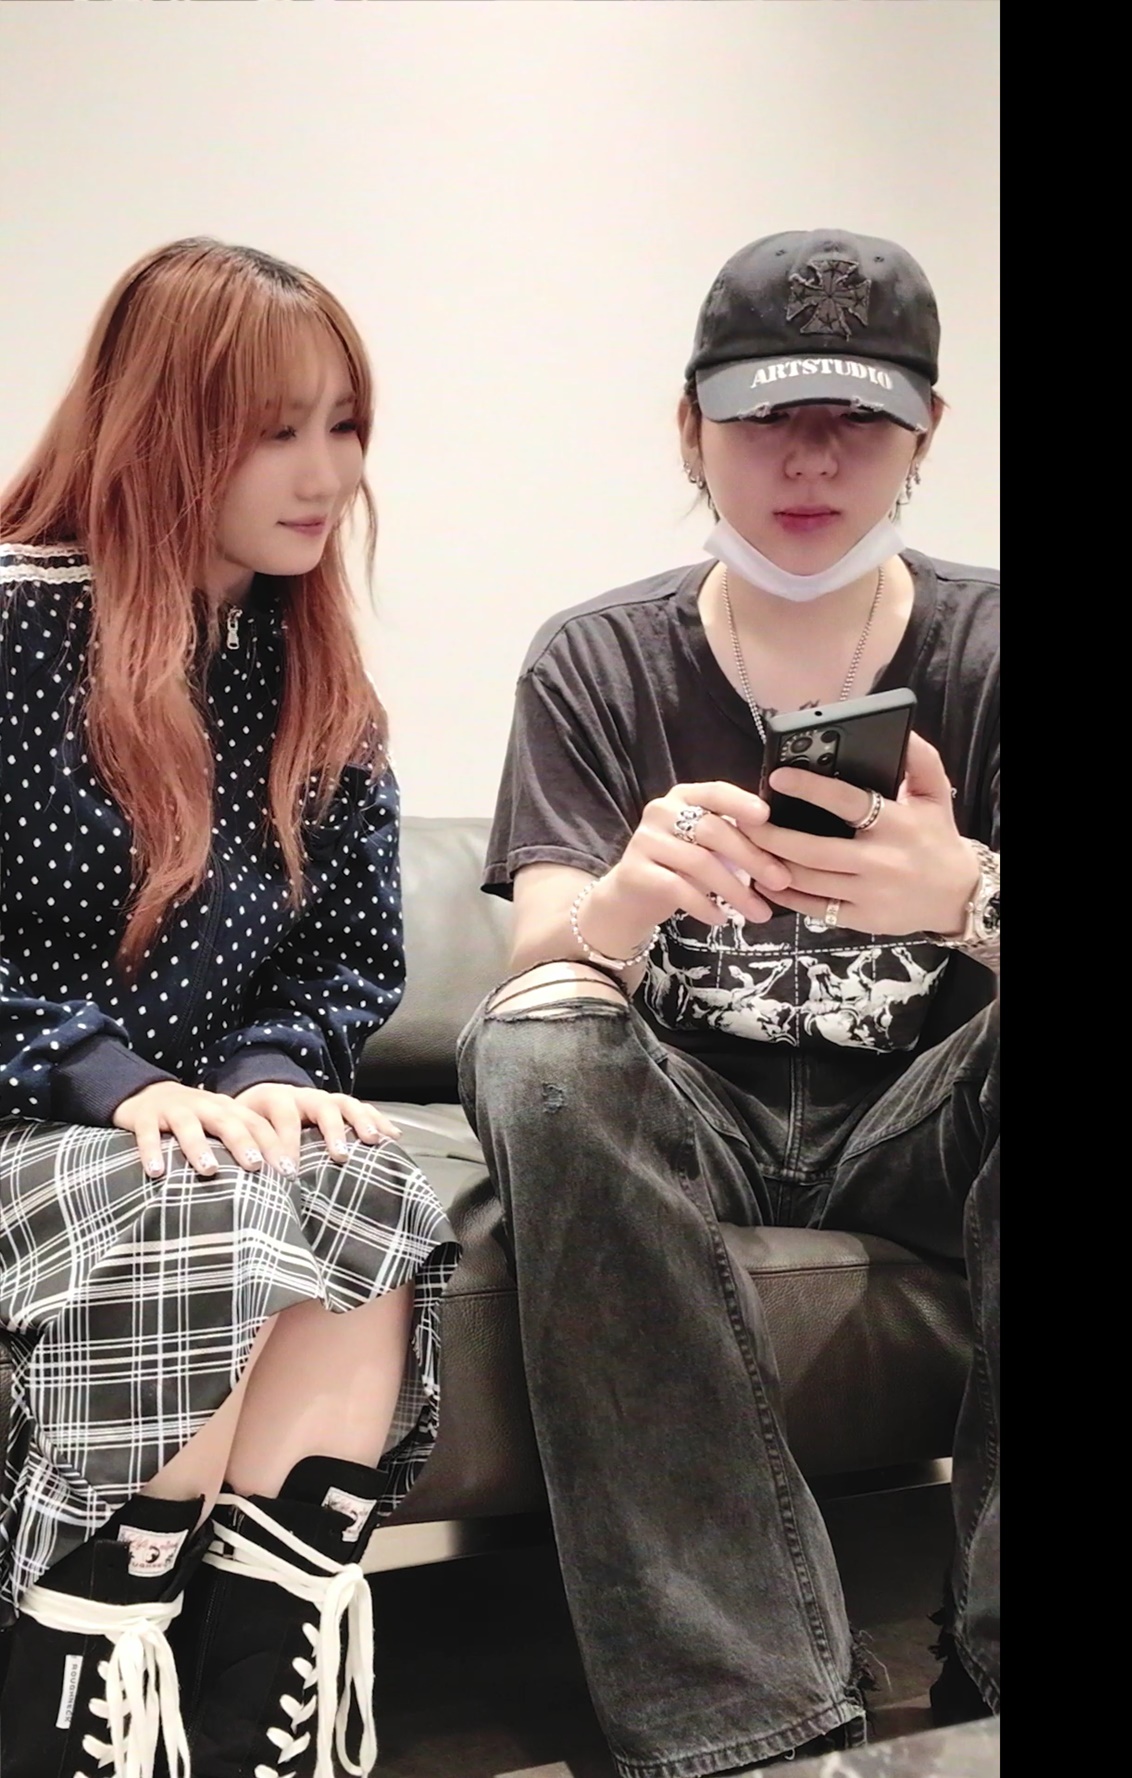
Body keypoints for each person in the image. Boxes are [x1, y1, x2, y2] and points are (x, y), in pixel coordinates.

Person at [459, 229, 999, 1775]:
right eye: (767, 418)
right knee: (538, 1044)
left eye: (855, 421)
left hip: (923, 1122)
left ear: (926, 430)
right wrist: (627, 900)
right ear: (690, 425)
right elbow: (546, 959)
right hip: (676, 1114)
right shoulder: (597, 658)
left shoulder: (989, 645)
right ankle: (746, 1711)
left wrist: (963, 892)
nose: (809, 460)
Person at [0, 238, 458, 1778]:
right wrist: (113, 1077)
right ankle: (90, 1693)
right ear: (163, 423)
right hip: (35, 1115)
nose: (326, 472)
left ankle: (266, 1720)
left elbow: (347, 959)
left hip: (189, 1135)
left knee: (363, 1178)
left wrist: (271, 1068)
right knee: (204, 1196)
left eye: (345, 425)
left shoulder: (313, 675)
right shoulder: (14, 629)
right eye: (277, 429)